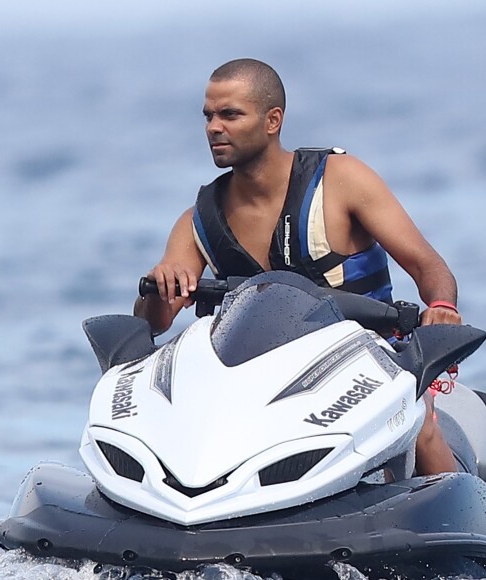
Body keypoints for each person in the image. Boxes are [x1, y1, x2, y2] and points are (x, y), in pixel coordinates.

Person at [134, 58, 462, 476]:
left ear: (273, 121)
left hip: (368, 365)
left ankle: (468, 518)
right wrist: (158, 288)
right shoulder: (197, 221)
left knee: (418, 423)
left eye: (230, 114)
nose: (214, 127)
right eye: (209, 116)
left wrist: (441, 306)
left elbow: (427, 263)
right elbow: (156, 322)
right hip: (265, 386)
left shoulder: (340, 180)